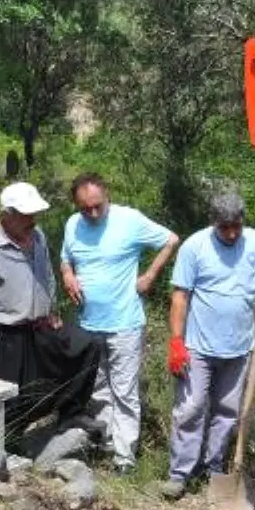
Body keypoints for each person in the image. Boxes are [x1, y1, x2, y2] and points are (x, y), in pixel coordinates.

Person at [0, 182, 103, 444]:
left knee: (88, 346)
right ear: (7, 215)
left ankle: (71, 412)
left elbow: (47, 274)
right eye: (26, 215)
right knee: (13, 397)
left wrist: (50, 308)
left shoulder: (37, 235)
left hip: (42, 325)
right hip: (8, 334)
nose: (32, 220)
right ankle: (5, 445)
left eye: (33, 214)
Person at [60, 173, 179, 473]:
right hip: (89, 322)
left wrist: (150, 276)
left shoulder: (129, 220)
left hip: (124, 321)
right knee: (98, 386)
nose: (92, 213)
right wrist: (67, 275)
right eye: (85, 208)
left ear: (107, 196)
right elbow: (66, 258)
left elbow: (171, 239)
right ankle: (109, 442)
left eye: (97, 206)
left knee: (124, 390)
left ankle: (125, 458)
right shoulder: (73, 224)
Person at [160, 190, 255, 500]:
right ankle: (180, 474)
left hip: (239, 347)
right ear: (213, 223)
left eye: (237, 225)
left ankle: (213, 469)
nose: (232, 232)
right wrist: (176, 342)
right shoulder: (194, 247)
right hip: (198, 347)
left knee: (227, 412)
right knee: (192, 407)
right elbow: (180, 296)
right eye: (225, 227)